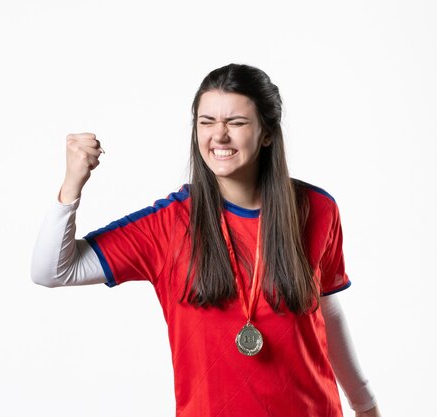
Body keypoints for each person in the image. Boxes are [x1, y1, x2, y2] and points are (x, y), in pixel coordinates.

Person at [31, 63, 381, 417]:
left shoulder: (318, 209)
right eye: (207, 121)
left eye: (237, 122)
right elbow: (51, 271)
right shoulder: (167, 224)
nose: (219, 135)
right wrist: (71, 185)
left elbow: (326, 314)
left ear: (267, 133)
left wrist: (365, 405)